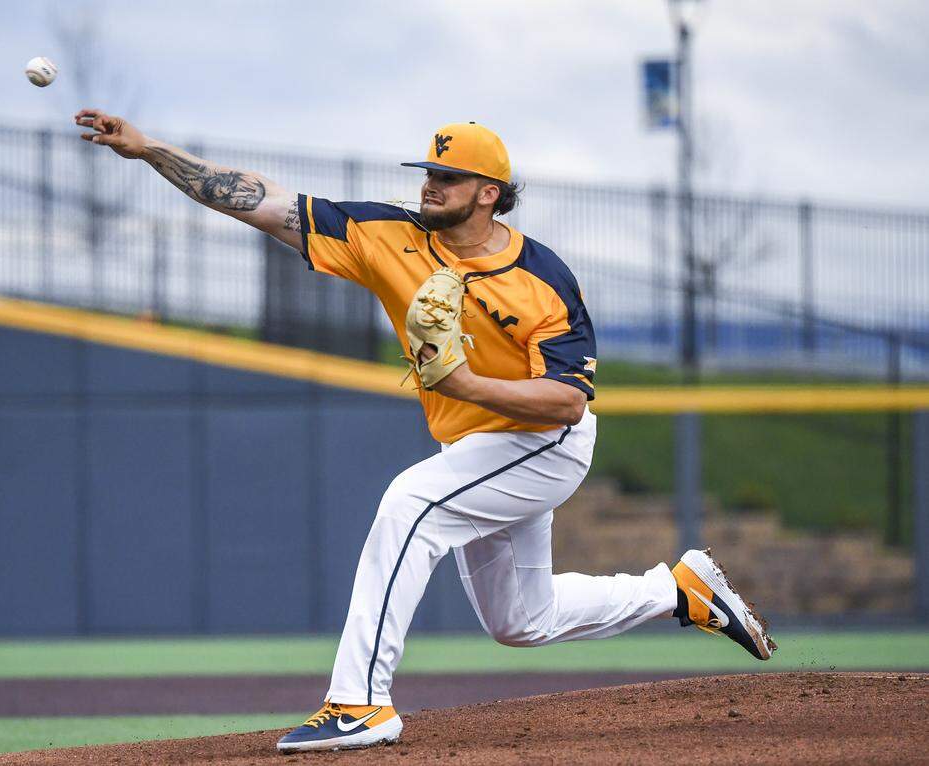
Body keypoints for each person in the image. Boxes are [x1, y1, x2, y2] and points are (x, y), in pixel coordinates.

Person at [75, 110, 776, 753]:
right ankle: (678, 590)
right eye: (429, 172)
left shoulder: (543, 279)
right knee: (520, 622)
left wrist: (466, 385)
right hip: (475, 448)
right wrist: (151, 150)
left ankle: (360, 702)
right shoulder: (390, 237)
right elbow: (261, 200)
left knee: (411, 505)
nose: (431, 185)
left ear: (489, 194)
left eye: (449, 176)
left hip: (543, 445)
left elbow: (567, 401)